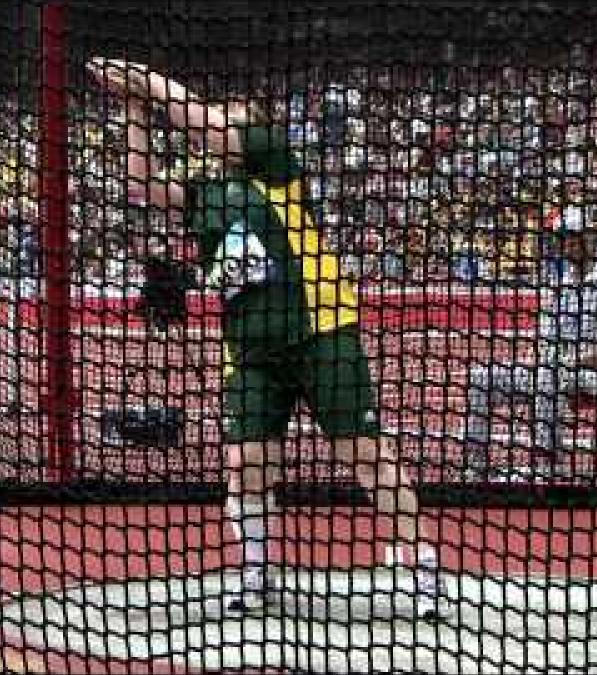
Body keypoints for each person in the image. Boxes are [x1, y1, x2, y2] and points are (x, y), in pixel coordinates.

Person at [89, 58, 444, 617]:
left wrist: (149, 79)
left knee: (365, 453)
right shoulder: (204, 192)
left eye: (232, 118)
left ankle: (421, 567)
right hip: (250, 351)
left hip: (320, 330)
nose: (221, 125)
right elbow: (140, 185)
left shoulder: (275, 165)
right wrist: (133, 106)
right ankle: (256, 571)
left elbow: (203, 124)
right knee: (246, 461)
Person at [461, 207, 597, 481]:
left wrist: (567, 362)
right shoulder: (559, 283)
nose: (569, 244)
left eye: (575, 237)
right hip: (550, 369)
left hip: (594, 374)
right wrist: (538, 356)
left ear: (590, 238)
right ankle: (475, 465)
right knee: (481, 377)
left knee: (547, 378)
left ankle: (549, 466)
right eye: (564, 239)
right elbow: (543, 337)